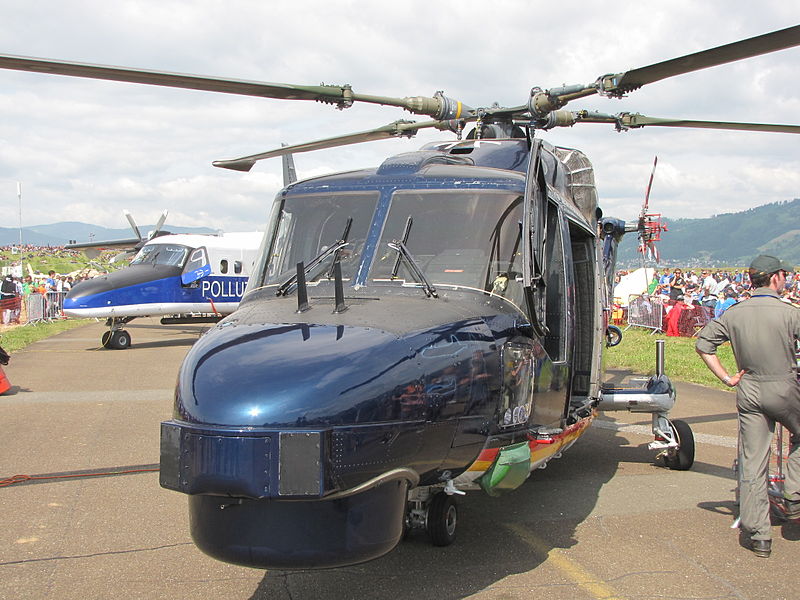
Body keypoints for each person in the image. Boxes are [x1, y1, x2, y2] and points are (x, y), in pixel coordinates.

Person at [695, 255, 800, 558]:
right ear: (776, 277)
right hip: (784, 386)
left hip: (749, 389)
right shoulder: (789, 312)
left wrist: (727, 377)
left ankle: (758, 535)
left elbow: (704, 345)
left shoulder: (734, 313)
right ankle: (794, 495)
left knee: (753, 462)